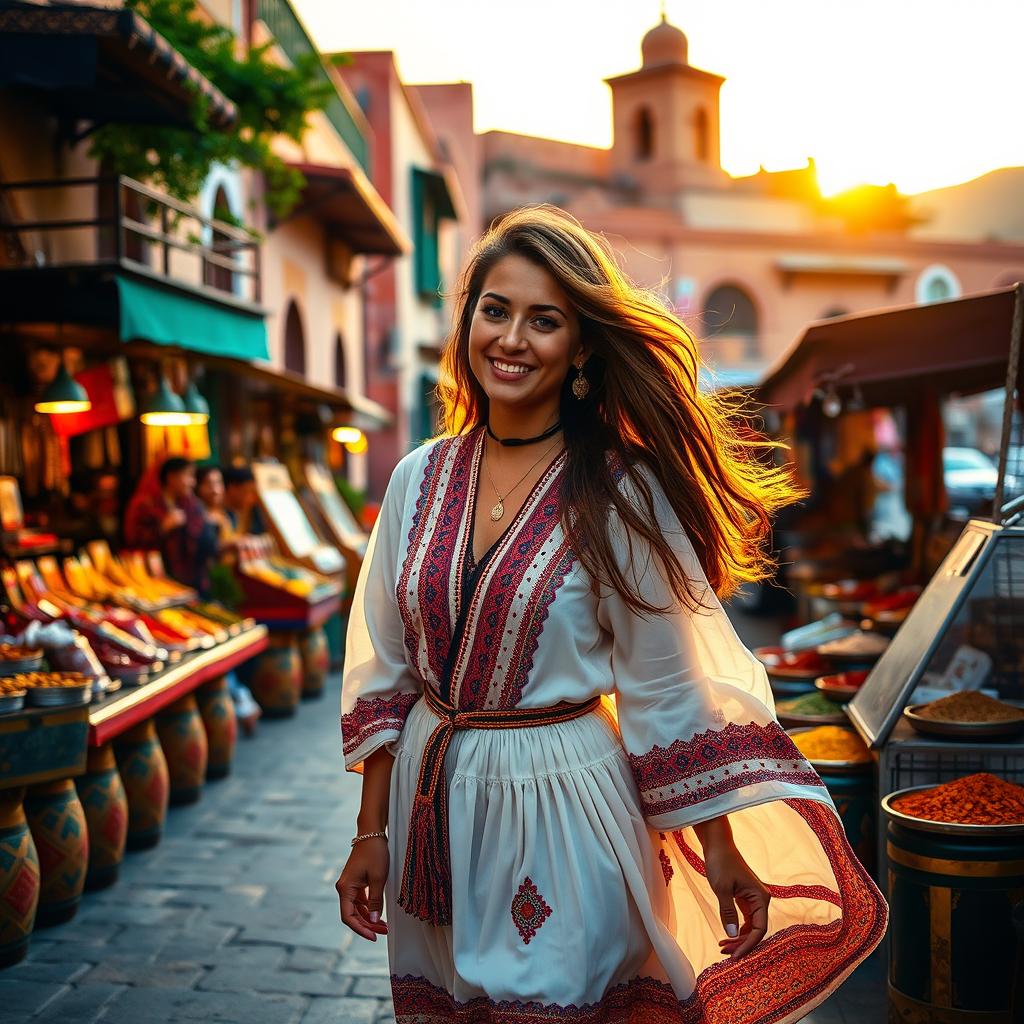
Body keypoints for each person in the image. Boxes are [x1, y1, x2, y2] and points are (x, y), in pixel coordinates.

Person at [335, 206, 886, 1022]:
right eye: (496, 310)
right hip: (435, 817)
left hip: (565, 804)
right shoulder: (417, 478)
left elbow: (666, 686)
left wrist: (723, 848)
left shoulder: (621, 490)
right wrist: (370, 833)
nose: (512, 338)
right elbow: (384, 669)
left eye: (544, 320)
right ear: (468, 323)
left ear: (583, 346)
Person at [195, 465, 262, 736]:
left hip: (221, 589)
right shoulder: (198, 517)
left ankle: (240, 698)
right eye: (209, 483)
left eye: (218, 483)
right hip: (205, 590)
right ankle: (240, 698)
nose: (215, 490)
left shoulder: (223, 516)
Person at [124, 456, 214, 592]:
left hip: (192, 581)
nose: (192, 482)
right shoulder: (145, 504)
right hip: (155, 582)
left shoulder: (192, 505)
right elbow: (132, 539)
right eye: (188, 476)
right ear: (171, 477)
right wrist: (163, 527)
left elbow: (206, 541)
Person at [222, 464, 266, 536]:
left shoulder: (252, 511)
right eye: (248, 492)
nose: (253, 499)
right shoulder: (215, 516)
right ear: (233, 489)